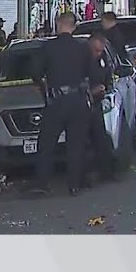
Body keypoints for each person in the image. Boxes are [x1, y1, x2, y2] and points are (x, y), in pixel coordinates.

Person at [31, 12, 97, 196]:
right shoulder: (82, 48)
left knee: (46, 143)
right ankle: (74, 184)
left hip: (57, 101)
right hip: (77, 100)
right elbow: (92, 73)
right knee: (75, 144)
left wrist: (45, 89)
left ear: (58, 24)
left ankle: (42, 183)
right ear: (74, 27)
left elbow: (36, 73)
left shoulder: (48, 47)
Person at [84, 32, 119, 183]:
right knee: (83, 143)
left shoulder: (102, 59)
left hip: (96, 105)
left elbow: (106, 76)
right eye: (96, 50)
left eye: (100, 51)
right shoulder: (81, 62)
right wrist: (92, 91)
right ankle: (84, 177)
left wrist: (104, 87)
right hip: (82, 106)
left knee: (101, 139)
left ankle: (107, 173)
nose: (98, 54)